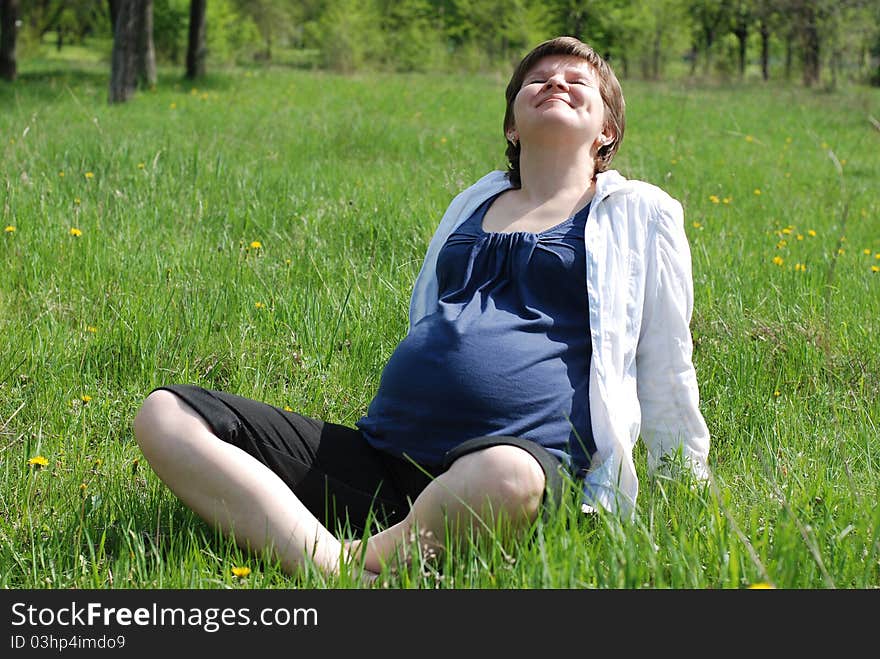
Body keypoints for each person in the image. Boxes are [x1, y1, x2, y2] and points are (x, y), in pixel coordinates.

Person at [132, 36, 710, 580]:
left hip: (517, 468)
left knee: (505, 475)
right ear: (512, 124)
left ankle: (335, 557)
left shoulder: (637, 213)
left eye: (576, 80)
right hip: (384, 453)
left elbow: (664, 354)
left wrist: (677, 481)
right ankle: (339, 566)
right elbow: (430, 314)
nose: (555, 82)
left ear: (607, 129)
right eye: (536, 78)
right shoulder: (474, 202)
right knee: (166, 413)